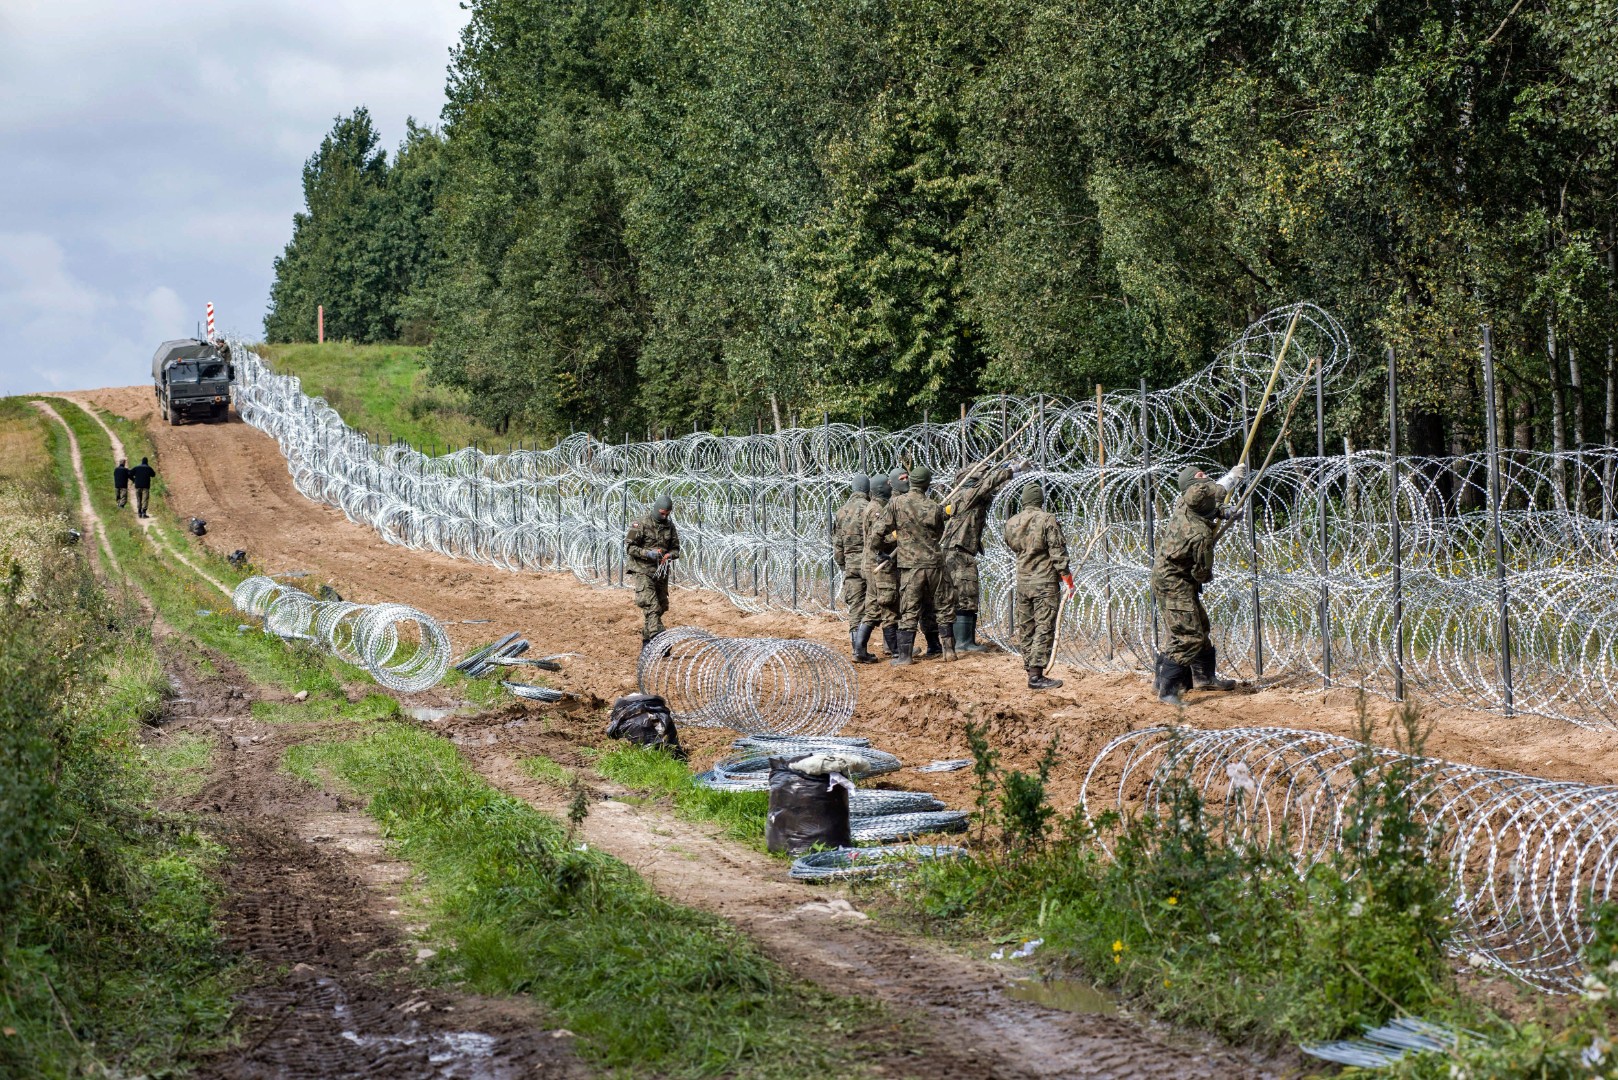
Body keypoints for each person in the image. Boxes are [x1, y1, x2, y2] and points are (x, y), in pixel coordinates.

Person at [1150, 463, 1247, 705]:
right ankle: (1168, 689)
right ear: (1194, 488)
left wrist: (1224, 512)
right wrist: (1230, 479)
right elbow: (1202, 572)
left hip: (1173, 578)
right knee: (1188, 634)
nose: (1206, 480)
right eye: (1200, 478)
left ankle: (1204, 678)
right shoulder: (1199, 533)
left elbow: (1205, 504)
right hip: (1173, 581)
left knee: (1198, 625)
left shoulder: (1184, 504)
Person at [940, 459, 1021, 652]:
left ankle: (963, 641)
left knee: (964, 594)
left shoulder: (969, 496)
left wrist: (1005, 471)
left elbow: (991, 488)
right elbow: (987, 483)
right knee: (965, 594)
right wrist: (1010, 470)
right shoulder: (967, 494)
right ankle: (963, 642)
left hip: (957, 552)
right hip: (959, 553)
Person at [875, 463, 948, 665]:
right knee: (939, 606)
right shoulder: (934, 506)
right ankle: (946, 651)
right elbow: (939, 534)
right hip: (934, 564)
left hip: (910, 566)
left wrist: (880, 550)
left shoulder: (897, 504)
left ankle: (905, 656)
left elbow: (879, 531)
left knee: (909, 609)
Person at [1004, 484, 1073, 690]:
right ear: (1040, 500)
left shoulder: (1012, 522)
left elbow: (1010, 544)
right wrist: (1067, 578)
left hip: (1023, 581)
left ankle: (1029, 668)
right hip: (1044, 582)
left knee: (1026, 627)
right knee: (1044, 626)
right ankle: (1036, 676)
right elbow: (1057, 552)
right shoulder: (1047, 519)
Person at [626, 493, 681, 650]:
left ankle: (647, 643)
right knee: (652, 606)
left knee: (661, 607)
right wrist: (648, 553)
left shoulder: (669, 526)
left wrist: (670, 555)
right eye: (662, 513)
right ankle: (660, 641)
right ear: (657, 509)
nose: (664, 516)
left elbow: (676, 548)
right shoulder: (639, 524)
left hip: (661, 572)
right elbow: (630, 548)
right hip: (642, 570)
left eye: (667, 514)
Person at [832, 474, 874, 662]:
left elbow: (837, 544)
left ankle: (857, 649)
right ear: (868, 490)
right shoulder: (872, 508)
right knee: (883, 603)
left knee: (856, 606)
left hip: (851, 564)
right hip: (871, 562)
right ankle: (893, 647)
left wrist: (843, 564)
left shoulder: (842, 511)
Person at [861, 475, 900, 658]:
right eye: (886, 484)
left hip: (871, 564)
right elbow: (877, 536)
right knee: (888, 604)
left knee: (873, 608)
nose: (890, 486)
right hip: (879, 565)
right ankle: (895, 650)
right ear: (878, 489)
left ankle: (859, 649)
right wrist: (897, 536)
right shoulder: (878, 509)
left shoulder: (873, 506)